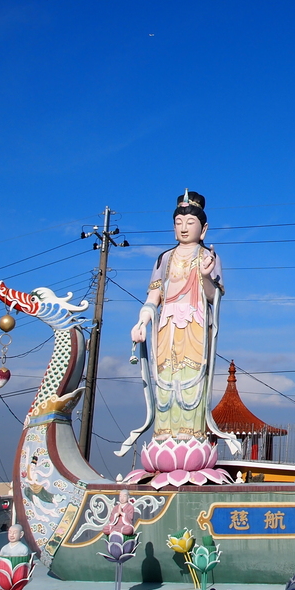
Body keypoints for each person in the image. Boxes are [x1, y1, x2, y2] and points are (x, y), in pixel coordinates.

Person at [119, 191, 238, 457]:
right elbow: (154, 297)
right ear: (173, 228)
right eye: (179, 222)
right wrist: (142, 320)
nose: (184, 228)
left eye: (190, 223)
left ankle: (191, 437)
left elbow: (212, 296)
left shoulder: (209, 257)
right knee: (165, 379)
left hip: (195, 324)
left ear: (203, 229)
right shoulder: (164, 259)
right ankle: (163, 437)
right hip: (167, 325)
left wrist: (206, 276)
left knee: (192, 379)